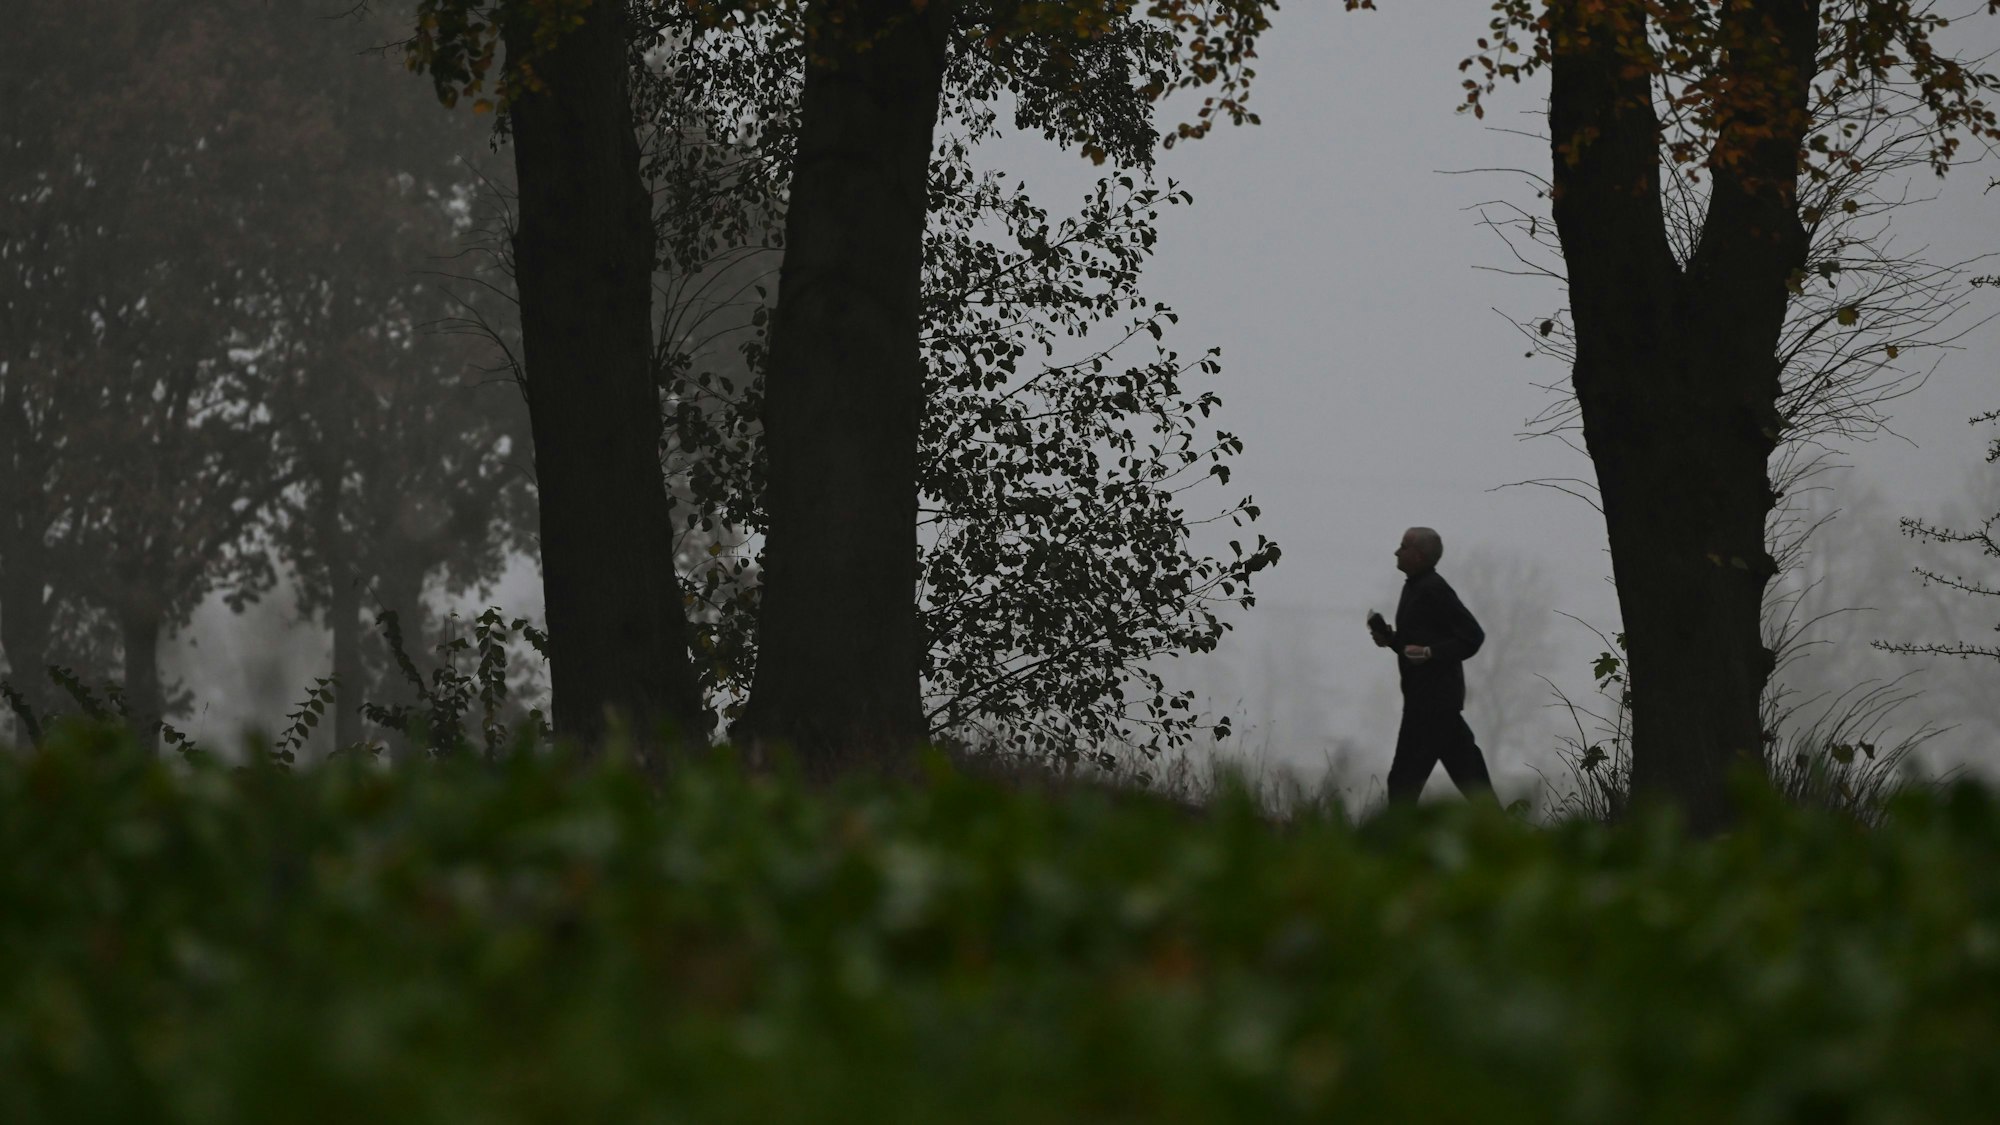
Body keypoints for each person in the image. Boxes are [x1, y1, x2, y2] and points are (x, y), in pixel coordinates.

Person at [1367, 526, 1493, 803]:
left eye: (1403, 546)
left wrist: (1430, 652)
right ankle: (1505, 834)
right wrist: (1391, 640)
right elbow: (1415, 646)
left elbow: (1473, 637)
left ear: (1420, 556)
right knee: (1471, 779)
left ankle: (1398, 843)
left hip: (1431, 706)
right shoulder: (1414, 587)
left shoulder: (1434, 589)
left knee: (1403, 783)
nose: (1396, 552)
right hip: (1430, 703)